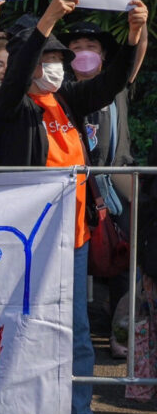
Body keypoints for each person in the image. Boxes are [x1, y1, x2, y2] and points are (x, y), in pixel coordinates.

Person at [0, 0, 148, 414]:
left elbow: (113, 80)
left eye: (60, 59)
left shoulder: (69, 102)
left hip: (74, 237)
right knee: (27, 329)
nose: (56, 66)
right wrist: (46, 22)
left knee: (78, 333)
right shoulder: (13, 108)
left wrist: (135, 36)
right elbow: (16, 75)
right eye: (47, 58)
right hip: (28, 242)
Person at [59, 20, 149, 358]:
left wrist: (138, 24)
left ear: (104, 55)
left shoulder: (117, 85)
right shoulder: (62, 93)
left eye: (91, 47)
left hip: (119, 182)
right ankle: (73, 334)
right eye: (76, 47)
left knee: (131, 255)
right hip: (79, 186)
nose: (84, 53)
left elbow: (136, 52)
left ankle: (121, 330)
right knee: (79, 257)